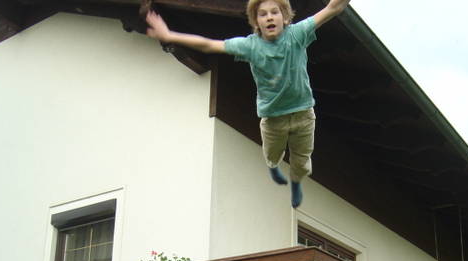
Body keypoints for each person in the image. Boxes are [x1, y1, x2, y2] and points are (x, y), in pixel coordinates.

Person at [146, 0, 351, 208]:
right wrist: (170, 35)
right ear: (256, 22)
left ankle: (296, 183)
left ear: (285, 18)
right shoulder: (250, 46)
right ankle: (273, 167)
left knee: (302, 161)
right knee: (272, 154)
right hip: (273, 118)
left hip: (303, 114)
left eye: (274, 12)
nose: (269, 17)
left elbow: (333, 8)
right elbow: (209, 44)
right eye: (263, 14)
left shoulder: (297, 34)